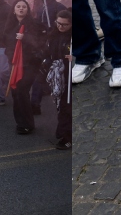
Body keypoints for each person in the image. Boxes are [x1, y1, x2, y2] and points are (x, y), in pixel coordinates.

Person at [3, 0, 44, 135]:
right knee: (15, 92)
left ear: (28, 10)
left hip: (30, 63)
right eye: (18, 6)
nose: (21, 9)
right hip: (15, 63)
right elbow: (7, 44)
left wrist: (25, 37)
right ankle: (20, 122)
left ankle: (28, 123)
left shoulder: (34, 24)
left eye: (24, 7)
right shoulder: (10, 25)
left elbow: (38, 43)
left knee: (22, 90)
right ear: (14, 9)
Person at [44, 10, 73, 149]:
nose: (60, 27)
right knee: (61, 106)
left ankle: (68, 137)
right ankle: (63, 134)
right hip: (58, 75)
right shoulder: (53, 34)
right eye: (58, 23)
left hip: (70, 75)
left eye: (65, 25)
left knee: (67, 107)